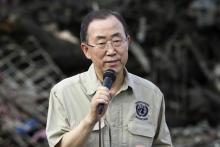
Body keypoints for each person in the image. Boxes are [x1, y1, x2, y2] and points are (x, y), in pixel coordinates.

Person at [46, 9, 173, 147]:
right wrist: (90, 120)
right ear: (86, 50)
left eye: (117, 41)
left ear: (128, 42)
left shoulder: (151, 94)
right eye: (101, 43)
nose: (111, 51)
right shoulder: (63, 93)